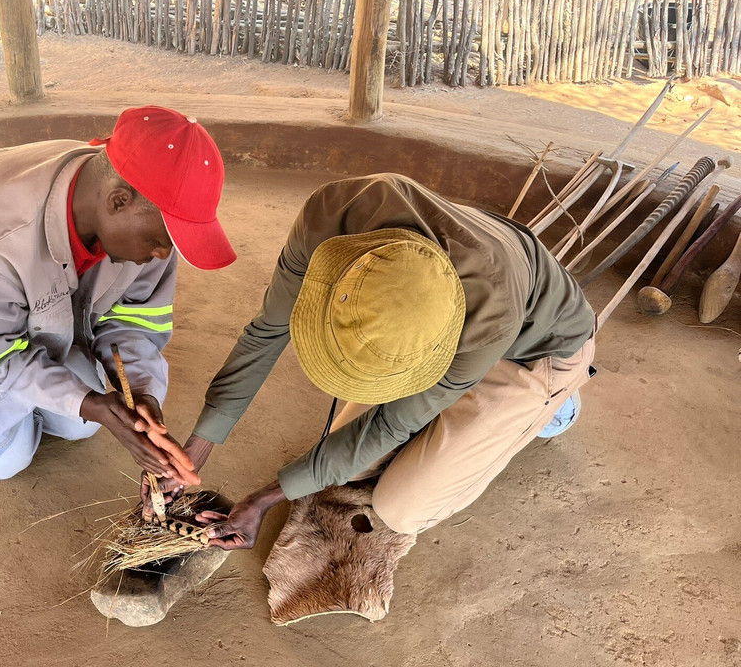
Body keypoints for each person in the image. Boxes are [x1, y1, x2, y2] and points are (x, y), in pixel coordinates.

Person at [144, 173, 596, 548]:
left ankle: (555, 409)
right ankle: (468, 411)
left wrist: (263, 499)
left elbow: (390, 424)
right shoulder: (332, 215)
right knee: (349, 465)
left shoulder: (490, 314)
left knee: (401, 508)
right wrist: (194, 451)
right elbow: (267, 332)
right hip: (451, 326)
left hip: (531, 352)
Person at [0, 106, 235, 481]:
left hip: (25, 308)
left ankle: (44, 392)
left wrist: (141, 391)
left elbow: (136, 319)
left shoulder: (139, 214)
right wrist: (87, 402)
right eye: (160, 241)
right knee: (7, 459)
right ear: (118, 202)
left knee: (79, 425)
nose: (163, 255)